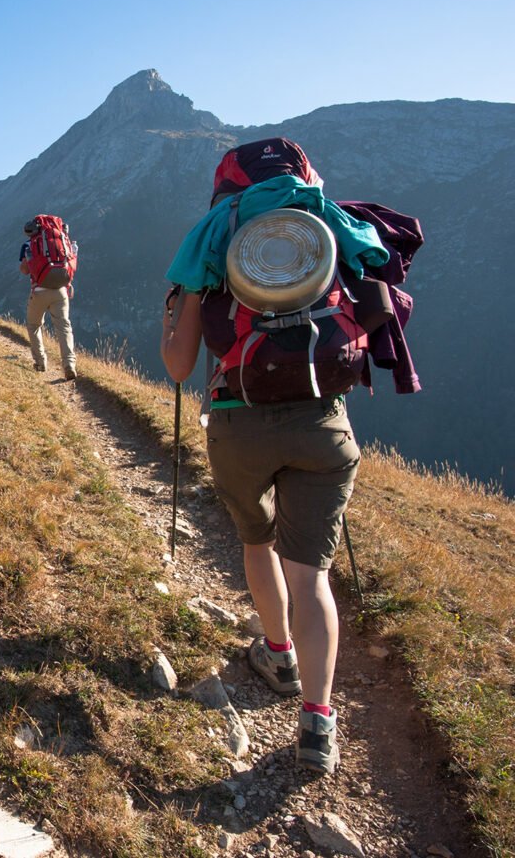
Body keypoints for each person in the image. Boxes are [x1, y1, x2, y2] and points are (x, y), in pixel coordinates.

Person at [159, 138, 388, 775]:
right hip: (323, 425)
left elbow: (179, 366)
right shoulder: (330, 230)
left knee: (257, 543)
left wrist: (176, 313)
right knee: (312, 574)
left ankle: (278, 652)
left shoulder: (210, 244)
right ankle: (318, 723)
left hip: (239, 424)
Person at [20, 219, 77, 379]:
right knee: (64, 327)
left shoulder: (29, 244)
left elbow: (24, 270)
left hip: (39, 291)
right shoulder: (63, 241)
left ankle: (40, 362)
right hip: (61, 291)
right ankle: (69, 364)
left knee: (34, 325)